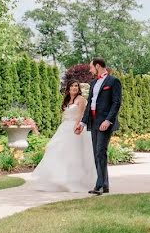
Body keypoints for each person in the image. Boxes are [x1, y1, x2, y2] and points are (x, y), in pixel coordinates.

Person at [29, 81, 96, 192]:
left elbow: (80, 115)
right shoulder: (66, 100)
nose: (74, 88)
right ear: (68, 89)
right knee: (54, 148)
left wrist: (77, 126)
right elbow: (65, 115)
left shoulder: (81, 99)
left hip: (76, 128)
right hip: (64, 128)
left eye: (76, 86)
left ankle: (74, 181)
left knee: (74, 154)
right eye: (72, 86)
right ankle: (58, 179)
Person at [77, 57, 122, 195]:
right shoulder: (94, 83)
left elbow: (116, 103)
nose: (90, 70)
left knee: (99, 152)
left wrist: (108, 120)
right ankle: (105, 184)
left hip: (105, 123)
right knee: (98, 154)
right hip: (94, 122)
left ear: (97, 66)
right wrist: (82, 123)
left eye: (91, 67)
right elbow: (90, 104)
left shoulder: (113, 81)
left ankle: (99, 185)